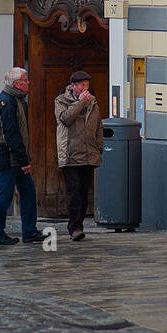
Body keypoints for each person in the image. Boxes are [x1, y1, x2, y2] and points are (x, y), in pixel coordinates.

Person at [0, 66, 42, 246]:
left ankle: (29, 231)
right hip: (8, 156)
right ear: (17, 84)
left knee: (28, 191)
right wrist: (23, 160)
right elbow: (11, 134)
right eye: (25, 80)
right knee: (4, 194)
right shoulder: (7, 102)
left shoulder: (17, 100)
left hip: (16, 155)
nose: (28, 83)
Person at [54, 69, 102, 241]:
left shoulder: (93, 101)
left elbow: (98, 126)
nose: (85, 88)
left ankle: (79, 224)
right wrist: (80, 103)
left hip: (89, 153)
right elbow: (65, 118)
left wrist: (99, 147)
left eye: (87, 85)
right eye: (82, 85)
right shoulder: (61, 100)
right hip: (70, 154)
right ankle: (74, 227)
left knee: (83, 192)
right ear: (73, 86)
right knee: (73, 192)